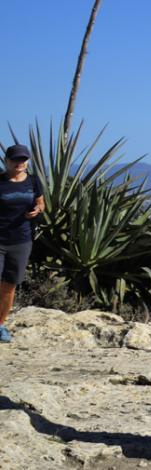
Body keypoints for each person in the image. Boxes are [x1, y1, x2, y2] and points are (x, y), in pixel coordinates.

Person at [0, 143, 44, 343]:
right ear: (7, 161)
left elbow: (41, 202)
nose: (20, 162)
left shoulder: (33, 181)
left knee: (9, 286)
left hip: (21, 240)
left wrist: (37, 209)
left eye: (23, 159)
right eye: (16, 159)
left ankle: (0, 325)